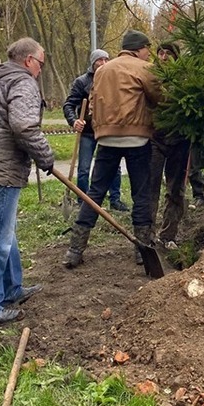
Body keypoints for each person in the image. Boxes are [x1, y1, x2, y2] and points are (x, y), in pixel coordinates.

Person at [0, 37, 54, 324]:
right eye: (41, 63)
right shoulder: (22, 82)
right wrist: (45, 156)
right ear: (29, 60)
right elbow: (23, 125)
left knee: (5, 231)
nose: (41, 70)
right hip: (0, 171)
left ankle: (11, 288)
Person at [63, 29, 161, 268]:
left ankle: (75, 250)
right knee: (141, 194)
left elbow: (94, 103)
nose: (149, 53)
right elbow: (161, 98)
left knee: (94, 194)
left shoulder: (102, 70)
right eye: (148, 49)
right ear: (139, 48)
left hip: (106, 139)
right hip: (137, 139)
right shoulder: (144, 69)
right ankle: (142, 249)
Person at [63, 49, 128, 211]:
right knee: (84, 168)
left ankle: (115, 199)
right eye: (100, 60)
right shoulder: (82, 82)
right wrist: (74, 121)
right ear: (93, 63)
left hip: (108, 131)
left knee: (114, 167)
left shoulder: (114, 81)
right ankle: (83, 200)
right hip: (88, 133)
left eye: (107, 60)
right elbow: (69, 105)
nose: (104, 63)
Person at [149, 42, 191, 249]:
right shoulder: (150, 77)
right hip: (155, 139)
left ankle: (169, 235)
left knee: (176, 189)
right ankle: (147, 234)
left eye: (168, 54)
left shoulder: (184, 80)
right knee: (150, 187)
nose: (164, 57)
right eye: (161, 53)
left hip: (180, 141)